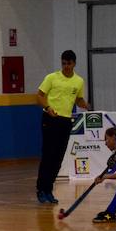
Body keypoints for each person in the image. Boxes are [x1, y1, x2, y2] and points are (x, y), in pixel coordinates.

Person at [35, 50, 90, 204]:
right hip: (50, 119)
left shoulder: (79, 81)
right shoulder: (52, 78)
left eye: (69, 63)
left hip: (66, 121)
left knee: (58, 157)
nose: (66, 66)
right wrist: (47, 108)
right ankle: (41, 190)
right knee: (48, 155)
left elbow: (78, 99)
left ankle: (49, 190)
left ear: (74, 63)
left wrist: (84, 104)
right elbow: (39, 96)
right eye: (63, 63)